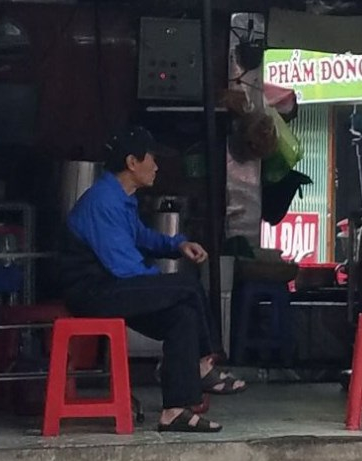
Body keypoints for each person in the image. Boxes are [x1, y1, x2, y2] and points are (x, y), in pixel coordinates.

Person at [64, 127, 238, 435]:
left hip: (113, 286)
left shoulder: (122, 198)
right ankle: (205, 364)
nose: (156, 166)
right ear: (132, 162)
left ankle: (176, 410)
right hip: (93, 292)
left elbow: (141, 237)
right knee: (185, 286)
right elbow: (124, 267)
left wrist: (177, 245)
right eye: (152, 159)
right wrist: (164, 288)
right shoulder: (103, 201)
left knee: (182, 316)